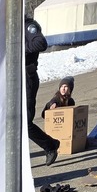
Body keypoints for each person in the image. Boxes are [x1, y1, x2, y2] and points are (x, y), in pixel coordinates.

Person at [25, 16, 61, 166]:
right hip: (12, 82)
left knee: (25, 123)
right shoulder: (6, 30)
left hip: (27, 78)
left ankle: (50, 145)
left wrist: (18, 50)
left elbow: (41, 43)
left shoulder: (28, 26)